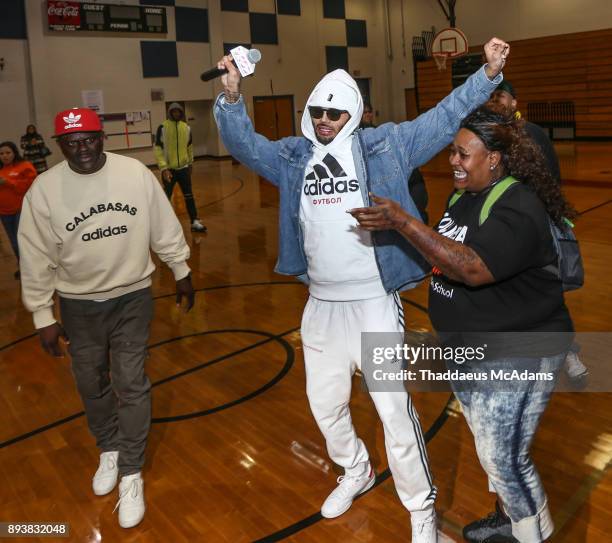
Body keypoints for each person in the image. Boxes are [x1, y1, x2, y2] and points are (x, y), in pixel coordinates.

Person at [214, 37, 509, 542]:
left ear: (351, 112)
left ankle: (421, 512)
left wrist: (486, 74)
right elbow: (245, 146)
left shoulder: (387, 144)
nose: (325, 120)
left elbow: (441, 119)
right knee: (324, 406)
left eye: (334, 111)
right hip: (321, 306)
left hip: (374, 302)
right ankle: (356, 469)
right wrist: (232, 97)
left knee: (394, 411)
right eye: (317, 111)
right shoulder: (293, 157)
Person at [350, 106, 575, 543]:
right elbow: (441, 253)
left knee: (504, 457)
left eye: (462, 154)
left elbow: (471, 267)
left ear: (494, 159)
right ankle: (508, 519)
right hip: (468, 348)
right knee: (493, 451)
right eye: (451, 152)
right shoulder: (462, 197)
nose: (452, 161)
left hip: (518, 350)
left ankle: (532, 533)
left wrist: (403, 221)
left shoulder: (519, 206)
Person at [18, 107, 195, 529]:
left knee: (132, 381)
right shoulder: (44, 191)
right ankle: (109, 447)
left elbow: (163, 226)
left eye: (90, 140)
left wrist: (181, 269)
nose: (83, 150)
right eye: (72, 143)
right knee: (91, 381)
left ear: (103, 137)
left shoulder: (134, 174)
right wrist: (43, 313)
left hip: (133, 295)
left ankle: (132, 471)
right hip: (78, 304)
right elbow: (35, 256)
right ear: (60, 145)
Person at [488, 81, 588, 384]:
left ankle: (568, 353)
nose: (495, 102)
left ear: (514, 103)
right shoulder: (489, 136)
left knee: (546, 296)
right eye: (491, 97)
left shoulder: (532, 134)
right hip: (504, 234)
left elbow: (551, 183)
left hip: (536, 232)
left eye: (501, 97)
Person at [360, 103, 429, 224]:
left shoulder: (384, 137)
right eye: (364, 113)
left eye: (369, 112)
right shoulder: (354, 144)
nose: (367, 115)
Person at [154, 102, 207, 232]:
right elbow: (158, 149)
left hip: (183, 169)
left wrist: (190, 163)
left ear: (181, 113)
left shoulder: (186, 128)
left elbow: (189, 147)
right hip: (169, 170)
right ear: (170, 113)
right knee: (165, 198)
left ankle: (194, 221)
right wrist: (164, 168)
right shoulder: (163, 127)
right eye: (174, 112)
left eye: (179, 111)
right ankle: (160, 225)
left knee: (189, 195)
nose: (176, 113)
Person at [0, 141, 37, 279]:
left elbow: (30, 185)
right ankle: (23, 267)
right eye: (1, 153)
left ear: (14, 153)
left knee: (22, 242)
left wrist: (8, 182)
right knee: (14, 243)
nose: (5, 156)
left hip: (21, 210)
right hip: (4, 213)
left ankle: (31, 268)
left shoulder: (25, 166)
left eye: (8, 152)